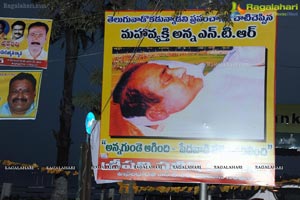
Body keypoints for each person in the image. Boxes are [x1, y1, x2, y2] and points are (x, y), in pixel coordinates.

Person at [110, 47, 266, 140]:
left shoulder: (217, 81)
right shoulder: (212, 112)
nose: (181, 70)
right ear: (157, 113)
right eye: (168, 78)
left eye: (169, 68)